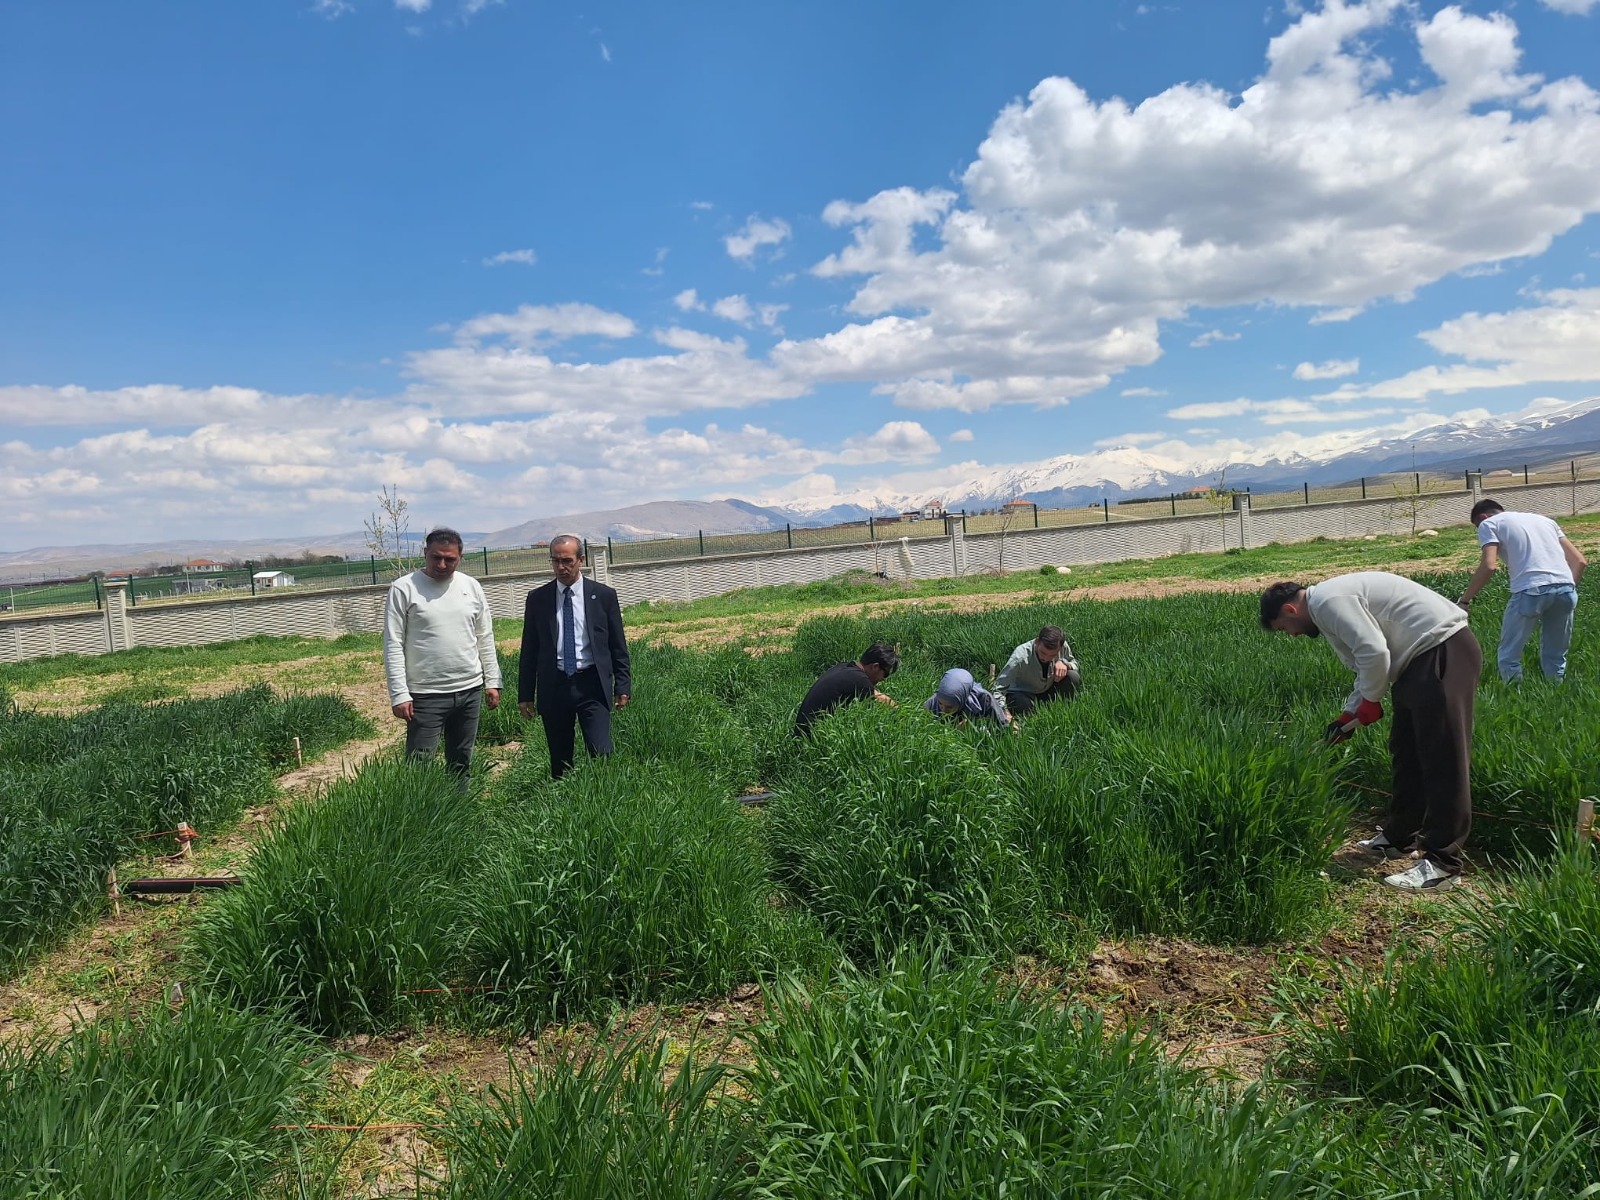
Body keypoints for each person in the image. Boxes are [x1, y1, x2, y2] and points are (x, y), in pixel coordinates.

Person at [1260, 572, 1480, 892]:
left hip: (1442, 651)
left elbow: (1374, 652)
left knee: (1442, 758)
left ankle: (1443, 864)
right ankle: (1398, 838)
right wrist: (1350, 713)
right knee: (1407, 752)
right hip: (1416, 663)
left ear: (1290, 611)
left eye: (1284, 629)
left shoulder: (1328, 602)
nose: (1291, 635)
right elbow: (1365, 666)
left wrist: (1371, 701)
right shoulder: (1326, 606)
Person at [382, 527, 501, 788]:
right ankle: (419, 818)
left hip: (469, 690)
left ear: (460, 557)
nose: (442, 564)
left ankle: (459, 813)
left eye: (450, 559)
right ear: (425, 553)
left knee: (461, 760)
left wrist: (492, 681)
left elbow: (485, 637)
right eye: (436, 557)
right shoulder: (404, 588)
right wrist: (399, 694)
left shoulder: (471, 587)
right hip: (425, 695)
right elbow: (393, 643)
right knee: (419, 764)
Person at [517, 535, 632, 779]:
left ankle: (605, 801)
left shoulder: (603, 596)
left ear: (581, 560)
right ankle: (564, 806)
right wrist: (525, 694)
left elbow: (617, 645)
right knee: (560, 760)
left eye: (567, 561)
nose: (561, 567)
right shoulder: (538, 599)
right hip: (554, 685)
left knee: (601, 753)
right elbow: (529, 649)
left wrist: (623, 685)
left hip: (591, 684)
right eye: (555, 561)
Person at [1456, 499, 1587, 682]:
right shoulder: (1546, 521)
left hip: (1530, 590)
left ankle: (1514, 695)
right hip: (1566, 588)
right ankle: (1556, 691)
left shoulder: (1488, 524)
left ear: (1482, 517)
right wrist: (1565, 588)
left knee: (1509, 654)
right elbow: (1580, 561)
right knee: (1556, 655)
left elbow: (1489, 565)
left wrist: (1465, 601)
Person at [794, 643, 899, 736]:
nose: (883, 679)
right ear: (875, 667)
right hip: (813, 738)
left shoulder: (845, 667)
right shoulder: (861, 681)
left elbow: (875, 694)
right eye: (885, 674)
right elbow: (879, 710)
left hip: (802, 732)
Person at [995, 625, 1081, 717]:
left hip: (1049, 688)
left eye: (1052, 655)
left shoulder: (1062, 646)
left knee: (1073, 676)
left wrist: (1065, 664)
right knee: (1023, 705)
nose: (1046, 658)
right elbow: (998, 689)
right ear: (1037, 642)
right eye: (1043, 652)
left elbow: (1075, 663)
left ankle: (1063, 710)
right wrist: (1004, 712)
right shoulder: (1019, 657)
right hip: (1023, 693)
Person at [924, 667, 1011, 727]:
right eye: (940, 704)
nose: (943, 710)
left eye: (949, 707)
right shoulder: (933, 702)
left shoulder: (984, 700)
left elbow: (1002, 726)